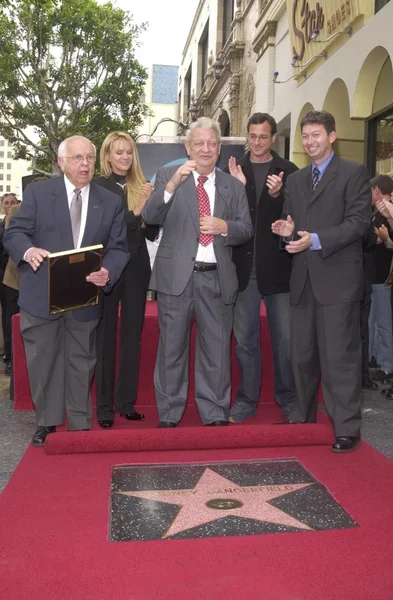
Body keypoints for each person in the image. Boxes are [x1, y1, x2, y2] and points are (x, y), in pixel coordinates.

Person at [4, 135, 129, 446]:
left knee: (81, 360)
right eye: (77, 158)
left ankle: (78, 423)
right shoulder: (38, 193)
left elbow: (119, 248)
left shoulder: (110, 200)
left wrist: (108, 271)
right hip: (41, 294)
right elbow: (16, 231)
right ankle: (46, 423)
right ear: (61, 162)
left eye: (88, 157)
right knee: (43, 360)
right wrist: (27, 250)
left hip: (84, 295)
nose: (85, 164)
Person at [142, 117, 253, 427]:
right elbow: (150, 216)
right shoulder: (168, 174)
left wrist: (225, 227)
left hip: (217, 278)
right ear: (187, 146)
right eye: (199, 143)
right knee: (171, 349)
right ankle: (169, 412)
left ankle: (215, 412)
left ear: (218, 149)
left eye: (212, 143)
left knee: (216, 350)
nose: (205, 149)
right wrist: (171, 186)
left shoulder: (232, 185)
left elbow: (246, 228)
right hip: (176, 278)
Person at [272, 110, 371, 453]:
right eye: (305, 136)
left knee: (338, 358)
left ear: (332, 135)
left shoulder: (354, 173)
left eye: (316, 134)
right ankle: (301, 415)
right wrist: (286, 232)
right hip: (302, 279)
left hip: (338, 281)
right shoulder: (297, 180)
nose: (310, 141)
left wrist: (314, 239)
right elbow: (293, 223)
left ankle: (346, 427)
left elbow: (358, 223)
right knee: (301, 354)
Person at [227, 112, 298, 423]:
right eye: (252, 136)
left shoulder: (289, 172)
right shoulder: (233, 169)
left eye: (263, 137)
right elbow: (229, 216)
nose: (256, 142)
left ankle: (289, 399)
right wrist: (238, 187)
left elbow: (295, 219)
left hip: (280, 271)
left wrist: (276, 195)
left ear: (273, 138)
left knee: (286, 341)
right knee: (245, 343)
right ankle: (246, 400)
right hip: (242, 272)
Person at [94, 132, 158, 429]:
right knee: (105, 338)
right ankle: (104, 407)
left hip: (138, 268)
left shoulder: (140, 185)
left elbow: (149, 231)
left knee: (132, 336)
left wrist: (154, 210)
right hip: (108, 267)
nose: (124, 158)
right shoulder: (98, 187)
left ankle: (126, 402)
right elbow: (116, 228)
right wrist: (140, 207)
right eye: (118, 153)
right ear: (107, 156)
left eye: (128, 153)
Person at [366, 175, 393, 383]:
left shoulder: (386, 212)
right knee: (374, 322)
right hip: (375, 275)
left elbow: (385, 240)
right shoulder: (378, 214)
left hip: (383, 276)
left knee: (383, 323)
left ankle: (387, 365)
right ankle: (376, 359)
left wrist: (383, 237)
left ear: (376, 190)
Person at [0, 193, 18, 374]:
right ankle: (10, 357)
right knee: (10, 317)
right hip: (9, 278)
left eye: (13, 202)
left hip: (16, 276)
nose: (10, 205)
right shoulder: (3, 225)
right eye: (6, 203)